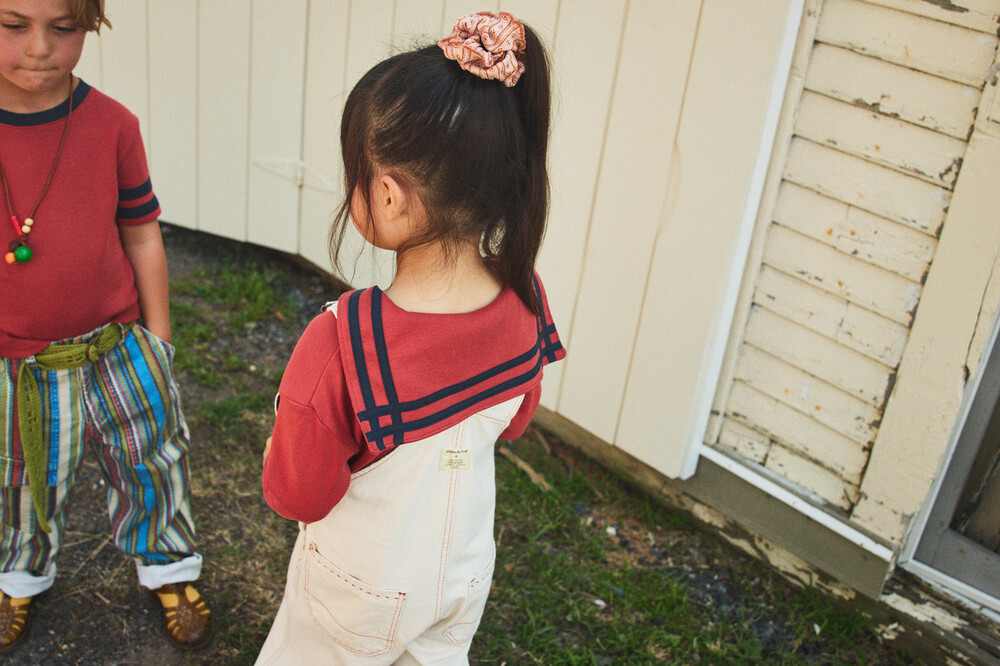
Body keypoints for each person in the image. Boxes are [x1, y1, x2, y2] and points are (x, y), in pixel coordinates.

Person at [257, 11, 565, 665]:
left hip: (360, 589)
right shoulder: (525, 296)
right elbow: (514, 422)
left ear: (390, 195)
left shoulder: (343, 344)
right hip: (463, 574)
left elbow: (298, 495)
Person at [0, 0, 211, 654]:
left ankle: (169, 567)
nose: (40, 47)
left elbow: (141, 233)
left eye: (63, 28)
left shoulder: (114, 125)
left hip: (118, 347)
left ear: (90, 25)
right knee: (21, 476)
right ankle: (19, 575)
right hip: (18, 364)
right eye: (13, 24)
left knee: (151, 462)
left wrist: (159, 338)